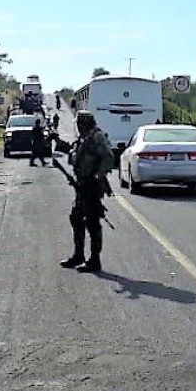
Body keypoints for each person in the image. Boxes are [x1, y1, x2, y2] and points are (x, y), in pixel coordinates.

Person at [60, 110, 114, 273]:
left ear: (85, 123)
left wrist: (98, 175)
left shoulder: (97, 136)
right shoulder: (84, 137)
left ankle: (94, 260)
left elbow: (108, 156)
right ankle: (78, 255)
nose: (78, 126)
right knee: (76, 218)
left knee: (92, 222)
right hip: (82, 184)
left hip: (92, 185)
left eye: (79, 123)